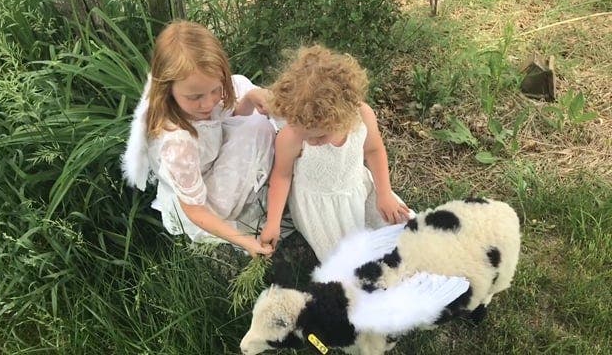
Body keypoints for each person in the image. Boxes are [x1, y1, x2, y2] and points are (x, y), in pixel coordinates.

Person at [122, 21, 275, 257]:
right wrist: (244, 241)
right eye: (195, 97)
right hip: (202, 206)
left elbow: (224, 121)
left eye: (215, 90)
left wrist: (248, 100)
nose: (208, 103)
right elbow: (196, 211)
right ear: (168, 90)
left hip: (206, 160)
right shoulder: (177, 144)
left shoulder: (197, 104)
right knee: (259, 127)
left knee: (243, 86)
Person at [260, 45, 413, 262]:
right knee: (350, 262)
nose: (312, 142)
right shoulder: (291, 136)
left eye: (320, 137)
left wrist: (384, 193)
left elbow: (373, 149)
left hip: (358, 188)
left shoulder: (362, 117)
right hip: (321, 209)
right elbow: (282, 175)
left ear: (341, 118)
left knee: (406, 229)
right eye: (307, 137)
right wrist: (273, 222)